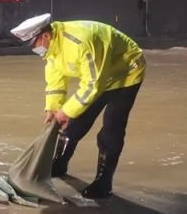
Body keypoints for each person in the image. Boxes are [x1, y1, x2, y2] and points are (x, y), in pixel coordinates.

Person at [11, 14, 146, 198]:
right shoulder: (52, 50)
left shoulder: (80, 42)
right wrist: (53, 108)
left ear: (45, 36)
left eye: (33, 45)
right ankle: (59, 164)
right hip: (99, 78)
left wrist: (66, 111)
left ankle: (103, 183)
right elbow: (55, 82)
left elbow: (93, 85)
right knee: (74, 123)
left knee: (111, 130)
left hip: (126, 74)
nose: (34, 50)